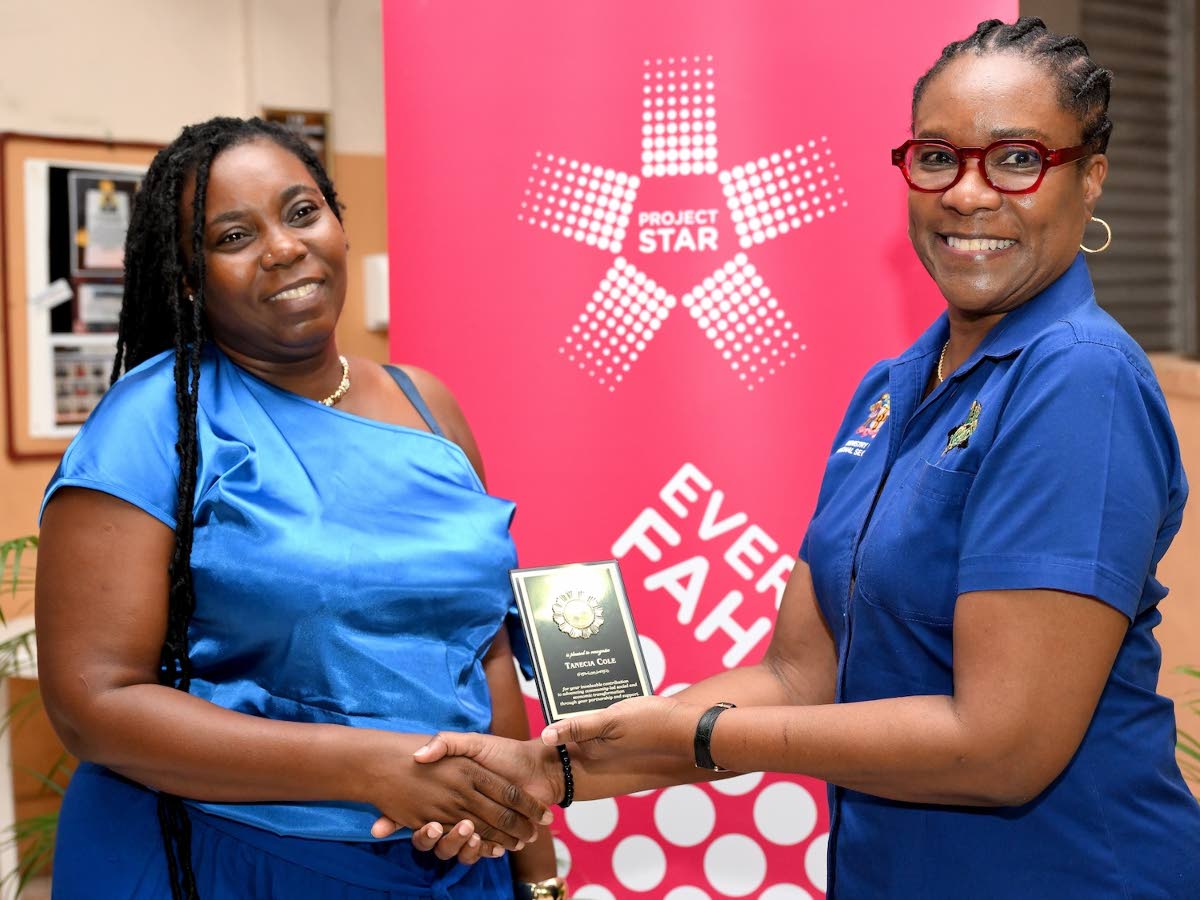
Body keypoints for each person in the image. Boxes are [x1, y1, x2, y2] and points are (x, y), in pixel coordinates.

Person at [401, 18, 1200, 898]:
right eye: (937, 157)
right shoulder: (893, 388)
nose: (969, 195)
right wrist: (538, 776)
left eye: (1016, 159)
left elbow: (1001, 747)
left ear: (1089, 180)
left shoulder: (1077, 380)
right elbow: (801, 673)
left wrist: (699, 734)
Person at [35, 117, 563, 899]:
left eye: (302, 211)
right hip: (220, 859)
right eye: (234, 235)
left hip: (447, 868)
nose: (283, 248)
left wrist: (530, 864)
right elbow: (94, 703)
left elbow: (481, 649)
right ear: (188, 276)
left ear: (340, 225)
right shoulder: (155, 422)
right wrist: (371, 769)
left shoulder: (428, 406)